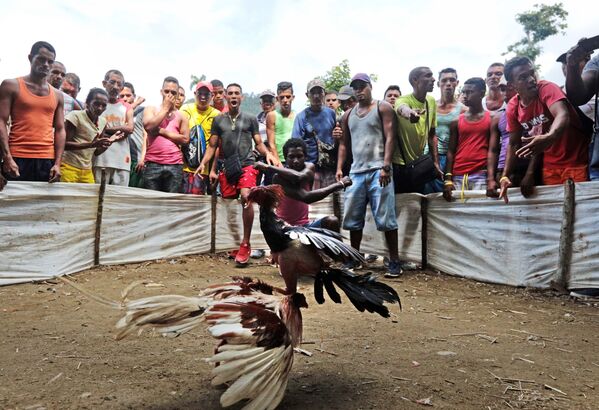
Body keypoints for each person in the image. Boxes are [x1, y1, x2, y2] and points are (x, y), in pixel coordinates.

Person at [196, 83, 275, 266]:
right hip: (228, 167)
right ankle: (235, 243)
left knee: (246, 197)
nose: (233, 96)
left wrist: (269, 154)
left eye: (236, 94)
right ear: (224, 96)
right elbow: (212, 146)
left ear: (242, 97)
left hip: (247, 165)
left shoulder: (250, 119)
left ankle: (246, 243)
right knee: (229, 202)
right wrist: (204, 164)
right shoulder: (218, 120)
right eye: (230, 93)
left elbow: (258, 143)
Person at [336, 73, 403, 277]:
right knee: (353, 218)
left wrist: (386, 166)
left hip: (378, 170)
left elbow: (391, 136)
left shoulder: (382, 107)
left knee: (386, 218)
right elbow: (344, 144)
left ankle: (394, 261)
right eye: (355, 87)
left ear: (370, 86)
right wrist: (340, 168)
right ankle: (355, 258)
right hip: (356, 172)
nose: (359, 90)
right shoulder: (348, 115)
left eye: (362, 86)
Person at [499, 56, 590, 203]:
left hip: (577, 160)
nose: (531, 79)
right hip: (550, 165)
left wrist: (549, 137)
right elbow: (513, 143)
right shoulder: (512, 107)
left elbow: (562, 114)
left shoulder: (546, 88)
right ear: (512, 85)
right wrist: (505, 176)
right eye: (523, 77)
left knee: (581, 208)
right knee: (556, 208)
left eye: (532, 73)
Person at [0, 41, 66, 185]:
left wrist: (57, 163)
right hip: (17, 156)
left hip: (46, 160)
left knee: (43, 206)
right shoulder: (11, 85)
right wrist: (7, 158)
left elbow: (60, 129)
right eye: (41, 59)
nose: (46, 65)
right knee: (12, 205)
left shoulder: (58, 95)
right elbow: (1, 121)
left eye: (50, 61)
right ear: (30, 58)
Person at [255, 138, 350, 231]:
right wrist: (340, 184)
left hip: (304, 225)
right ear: (285, 157)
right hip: (284, 228)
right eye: (291, 157)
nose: (295, 161)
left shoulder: (309, 167)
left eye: (299, 156)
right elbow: (306, 197)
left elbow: (299, 176)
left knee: (332, 221)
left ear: (305, 157)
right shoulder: (278, 178)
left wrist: (268, 167)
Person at [393, 66, 443, 194]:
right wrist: (410, 114)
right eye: (428, 76)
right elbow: (401, 108)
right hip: (400, 165)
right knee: (402, 204)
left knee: (419, 202)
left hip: (419, 165)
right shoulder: (403, 99)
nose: (433, 79)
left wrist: (436, 163)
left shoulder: (430, 101)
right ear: (415, 80)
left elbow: (432, 135)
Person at [443, 78, 495, 200]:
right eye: (464, 92)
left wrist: (491, 178)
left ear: (482, 93)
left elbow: (493, 150)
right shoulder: (456, 121)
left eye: (470, 92)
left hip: (480, 174)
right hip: (458, 175)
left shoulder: (492, 118)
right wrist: (448, 179)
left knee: (479, 213)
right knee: (458, 214)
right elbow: (450, 151)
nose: (465, 95)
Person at [142, 77, 189, 193]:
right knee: (151, 203)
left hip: (175, 164)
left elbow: (185, 139)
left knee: (171, 205)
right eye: (166, 91)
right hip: (153, 163)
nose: (169, 95)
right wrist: (165, 109)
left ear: (178, 94)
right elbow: (148, 127)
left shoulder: (182, 116)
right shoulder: (151, 109)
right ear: (161, 91)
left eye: (173, 92)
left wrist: (162, 131)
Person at [292, 79, 338, 188]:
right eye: (313, 93)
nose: (316, 96)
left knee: (332, 199)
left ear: (324, 94)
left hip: (330, 167)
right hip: (310, 167)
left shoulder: (331, 113)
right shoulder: (301, 117)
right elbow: (295, 144)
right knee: (313, 200)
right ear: (307, 95)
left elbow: (336, 138)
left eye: (319, 92)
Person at [60, 88, 113, 183]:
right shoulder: (75, 116)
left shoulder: (103, 122)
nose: (100, 108)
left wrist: (109, 142)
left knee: (89, 197)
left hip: (87, 170)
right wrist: (90, 144)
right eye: (96, 104)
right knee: (67, 197)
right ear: (87, 103)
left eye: (104, 105)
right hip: (68, 167)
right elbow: (64, 145)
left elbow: (96, 151)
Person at [92, 69, 134, 186]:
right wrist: (120, 129)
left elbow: (130, 128)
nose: (115, 86)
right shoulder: (97, 105)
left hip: (121, 162)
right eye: (112, 82)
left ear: (122, 88)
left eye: (119, 84)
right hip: (100, 159)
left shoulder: (127, 107)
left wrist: (105, 130)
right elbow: (93, 129)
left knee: (119, 200)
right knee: (97, 197)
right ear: (104, 83)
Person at [180, 81, 221, 194]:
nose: (203, 97)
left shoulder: (217, 115)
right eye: (200, 93)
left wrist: (212, 169)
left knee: (196, 202)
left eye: (206, 94)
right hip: (182, 165)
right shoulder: (185, 109)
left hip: (202, 167)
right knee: (179, 200)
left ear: (212, 96)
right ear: (195, 93)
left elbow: (216, 145)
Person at [430, 68, 465, 192]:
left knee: (446, 194)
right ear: (438, 83)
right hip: (429, 157)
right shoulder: (430, 105)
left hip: (450, 158)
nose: (448, 83)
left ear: (457, 83)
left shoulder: (463, 110)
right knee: (427, 195)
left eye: (452, 80)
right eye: (444, 80)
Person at [119, 82, 146, 188]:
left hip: (137, 160)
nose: (125, 98)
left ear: (134, 96)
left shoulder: (142, 111)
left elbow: (146, 135)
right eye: (121, 96)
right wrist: (137, 102)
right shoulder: (118, 112)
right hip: (120, 159)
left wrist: (143, 158)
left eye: (128, 95)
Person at [266, 81, 295, 167]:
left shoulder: (298, 116)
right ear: (277, 99)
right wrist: (277, 161)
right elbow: (271, 143)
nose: (285, 100)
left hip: (295, 160)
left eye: (288, 97)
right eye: (282, 97)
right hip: (279, 161)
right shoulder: (272, 116)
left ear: (293, 97)